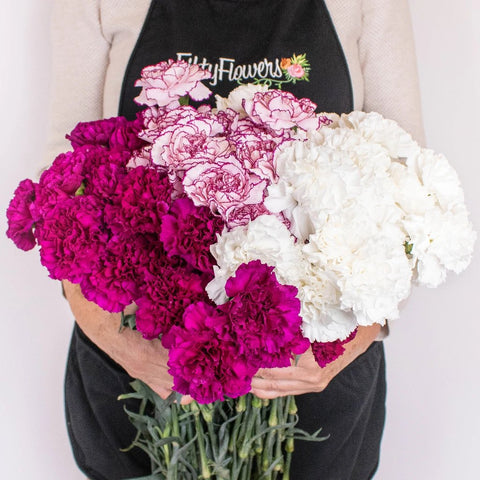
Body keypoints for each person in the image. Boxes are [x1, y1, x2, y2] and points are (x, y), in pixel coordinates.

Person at [47, 1, 425, 479]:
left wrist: (348, 343)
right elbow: (60, 180)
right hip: (145, 374)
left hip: (309, 380)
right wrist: (115, 338)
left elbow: (409, 188)